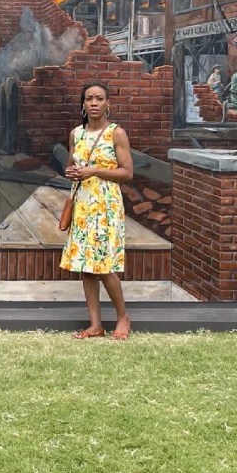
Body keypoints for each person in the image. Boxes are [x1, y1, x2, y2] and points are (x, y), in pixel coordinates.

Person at [60, 81, 134, 341]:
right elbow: (71, 166)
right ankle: (95, 325)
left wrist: (94, 171)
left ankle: (123, 317)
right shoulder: (76, 134)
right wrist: (72, 172)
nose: (94, 103)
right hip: (82, 203)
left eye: (99, 98)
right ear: (83, 104)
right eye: (89, 98)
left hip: (106, 205)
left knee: (103, 265)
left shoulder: (116, 133)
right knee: (86, 266)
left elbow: (127, 173)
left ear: (107, 103)